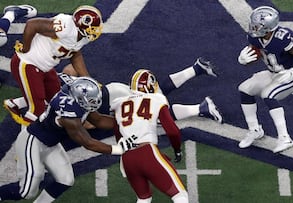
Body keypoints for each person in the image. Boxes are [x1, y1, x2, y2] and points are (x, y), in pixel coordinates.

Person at [0, 76, 135, 202]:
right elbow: (88, 143)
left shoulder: (77, 100)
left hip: (50, 144)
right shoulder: (68, 112)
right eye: (92, 100)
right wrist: (119, 149)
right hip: (33, 141)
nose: (96, 103)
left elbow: (99, 120)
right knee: (26, 191)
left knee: (65, 180)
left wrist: (128, 122)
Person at [4, 57, 224, 126]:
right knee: (155, 101)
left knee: (155, 115)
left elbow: (89, 124)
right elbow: (69, 68)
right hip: (109, 90)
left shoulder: (55, 98)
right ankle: (196, 69)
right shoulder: (56, 80)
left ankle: (201, 107)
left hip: (111, 100)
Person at [5, 5, 103, 126]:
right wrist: (26, 48)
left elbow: (74, 53)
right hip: (28, 64)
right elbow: (32, 24)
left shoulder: (83, 36)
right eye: (92, 28)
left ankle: (15, 104)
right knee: (37, 110)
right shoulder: (65, 27)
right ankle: (27, 138)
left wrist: (88, 79)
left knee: (57, 99)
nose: (94, 30)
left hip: (46, 67)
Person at [237, 6, 293, 153]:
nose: (253, 27)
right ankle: (255, 129)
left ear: (268, 27)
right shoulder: (255, 37)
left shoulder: (282, 38)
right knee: (244, 89)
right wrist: (243, 60)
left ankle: (285, 138)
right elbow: (256, 56)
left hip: (289, 76)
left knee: (268, 94)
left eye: (257, 25)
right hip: (273, 73)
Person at [111, 69, 188, 203]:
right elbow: (172, 131)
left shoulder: (119, 103)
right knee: (180, 196)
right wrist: (177, 149)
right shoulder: (156, 99)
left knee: (143, 199)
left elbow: (118, 134)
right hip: (147, 152)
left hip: (127, 158)